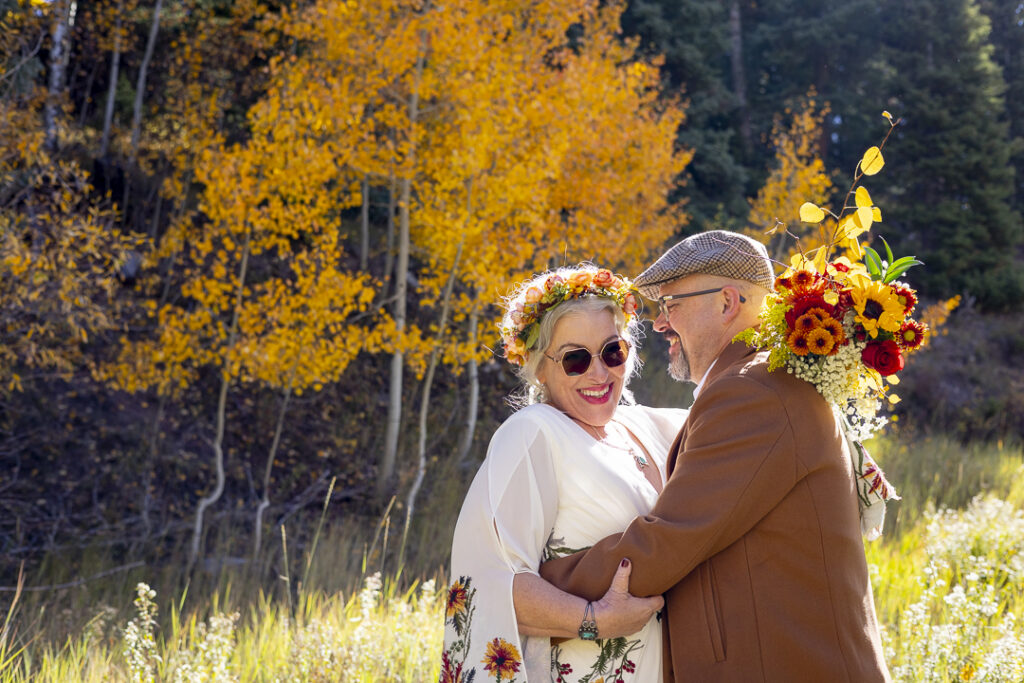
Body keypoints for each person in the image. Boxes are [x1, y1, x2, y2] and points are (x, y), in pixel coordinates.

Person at [539, 231, 892, 682]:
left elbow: (668, 540)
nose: (661, 324)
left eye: (671, 305)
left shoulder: (753, 392)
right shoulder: (762, 382)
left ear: (727, 303)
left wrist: (536, 592)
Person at [440, 265, 688, 683]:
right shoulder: (533, 433)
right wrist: (597, 620)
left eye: (612, 351)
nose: (598, 373)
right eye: (575, 359)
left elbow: (731, 417)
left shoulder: (647, 425)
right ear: (539, 367)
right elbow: (491, 584)